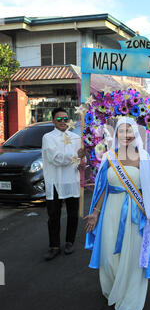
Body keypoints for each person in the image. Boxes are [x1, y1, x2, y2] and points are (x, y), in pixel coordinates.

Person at [84, 117, 150, 310]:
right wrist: (95, 213)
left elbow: (149, 190)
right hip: (110, 211)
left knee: (131, 257)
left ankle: (129, 296)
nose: (126, 134)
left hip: (135, 215)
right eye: (122, 131)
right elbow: (102, 188)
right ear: (116, 134)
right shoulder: (108, 157)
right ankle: (114, 289)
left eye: (130, 130)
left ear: (135, 134)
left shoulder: (143, 157)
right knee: (109, 256)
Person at [42, 107, 84, 261]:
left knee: (73, 214)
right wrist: (76, 156)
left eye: (65, 118)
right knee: (54, 215)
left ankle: (69, 242)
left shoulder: (75, 137)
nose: (63, 121)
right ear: (53, 120)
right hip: (55, 182)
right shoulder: (48, 137)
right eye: (59, 119)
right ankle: (54, 246)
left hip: (72, 181)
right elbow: (56, 158)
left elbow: (80, 160)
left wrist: (81, 160)